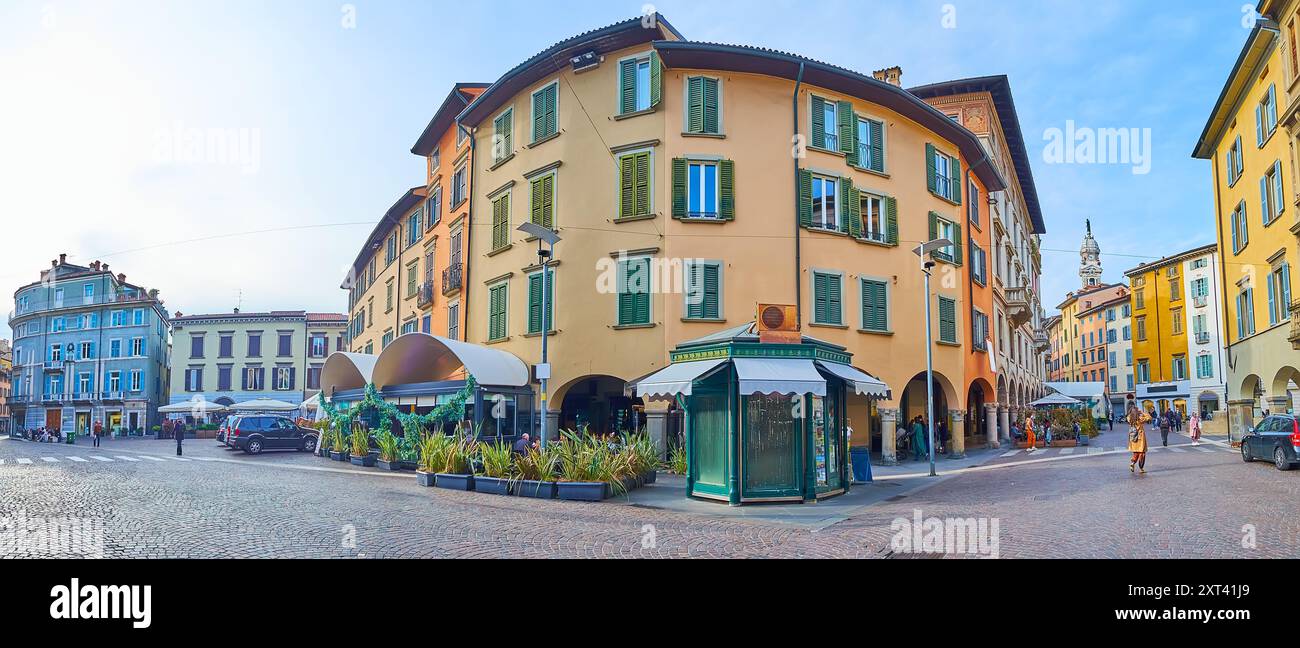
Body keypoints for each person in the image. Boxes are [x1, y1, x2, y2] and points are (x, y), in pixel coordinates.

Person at [1126, 399, 1150, 473]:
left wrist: (1133, 412)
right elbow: (1149, 417)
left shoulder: (1129, 418)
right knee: (1142, 453)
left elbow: (1129, 416)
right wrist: (1141, 412)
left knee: (1135, 452)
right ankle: (1141, 468)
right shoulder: (1140, 419)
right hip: (1140, 438)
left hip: (1133, 437)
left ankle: (1132, 463)